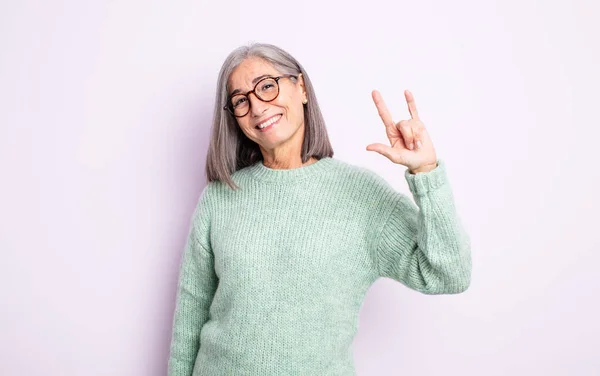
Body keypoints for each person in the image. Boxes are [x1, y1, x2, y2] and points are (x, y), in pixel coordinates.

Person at [167, 42, 472, 376]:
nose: (256, 107)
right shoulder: (220, 198)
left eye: (267, 86)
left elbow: (448, 274)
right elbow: (191, 313)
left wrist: (426, 173)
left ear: (301, 88)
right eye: (241, 100)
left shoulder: (361, 196)